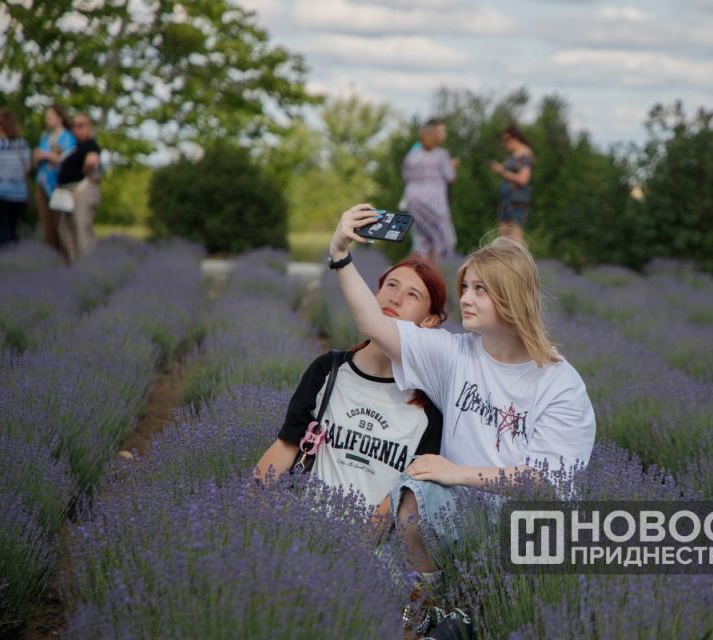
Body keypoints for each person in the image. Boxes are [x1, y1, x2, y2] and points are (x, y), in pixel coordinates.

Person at [328, 204, 596, 636]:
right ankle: (422, 607)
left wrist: (457, 473)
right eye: (465, 287)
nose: (465, 298)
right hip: (455, 521)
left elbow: (548, 481)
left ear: (512, 297)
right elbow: (374, 322)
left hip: (523, 539)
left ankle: (432, 610)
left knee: (417, 489)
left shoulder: (561, 385)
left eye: (480, 290)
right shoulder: (457, 354)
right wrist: (340, 253)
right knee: (368, 573)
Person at [254, 255, 447, 522]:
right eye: (391, 286)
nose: (396, 298)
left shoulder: (427, 407)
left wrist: (352, 554)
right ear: (374, 294)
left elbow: (400, 501)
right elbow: (286, 446)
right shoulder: (329, 370)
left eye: (412, 295)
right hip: (299, 529)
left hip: (366, 552)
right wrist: (247, 511)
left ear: (430, 321)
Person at [401, 119, 458, 264]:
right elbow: (450, 177)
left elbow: (405, 174)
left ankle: (417, 277)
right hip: (434, 201)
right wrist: (452, 166)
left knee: (421, 241)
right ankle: (436, 279)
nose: (445, 134)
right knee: (444, 239)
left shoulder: (413, 154)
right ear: (435, 133)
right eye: (442, 131)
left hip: (413, 199)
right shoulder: (441, 154)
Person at [52, 112, 101, 263]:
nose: (76, 129)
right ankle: (76, 266)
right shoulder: (75, 147)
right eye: (74, 126)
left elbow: (92, 160)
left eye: (81, 125)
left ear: (89, 127)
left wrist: (84, 173)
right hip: (67, 192)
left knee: (81, 230)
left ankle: (87, 266)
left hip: (80, 191)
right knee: (66, 231)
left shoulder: (90, 144)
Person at [33, 105, 76, 254]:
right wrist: (38, 157)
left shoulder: (68, 138)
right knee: (47, 226)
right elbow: (38, 159)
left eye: (50, 116)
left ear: (59, 118)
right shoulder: (45, 137)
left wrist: (46, 155)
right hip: (42, 183)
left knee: (61, 226)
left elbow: (66, 159)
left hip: (60, 186)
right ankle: (51, 260)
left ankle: (65, 260)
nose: (47, 119)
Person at [0, 109, 31, 248]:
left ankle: (4, 261)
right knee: (12, 231)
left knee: (1, 232)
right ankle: (13, 259)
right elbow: (27, 169)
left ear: (0, 126)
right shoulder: (22, 145)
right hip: (18, 195)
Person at [489, 124, 533, 242]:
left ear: (515, 138)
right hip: (506, 201)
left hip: (516, 201)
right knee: (503, 242)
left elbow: (523, 179)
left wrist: (502, 171)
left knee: (514, 242)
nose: (505, 144)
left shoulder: (525, 155)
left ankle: (519, 261)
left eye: (507, 140)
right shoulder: (514, 156)